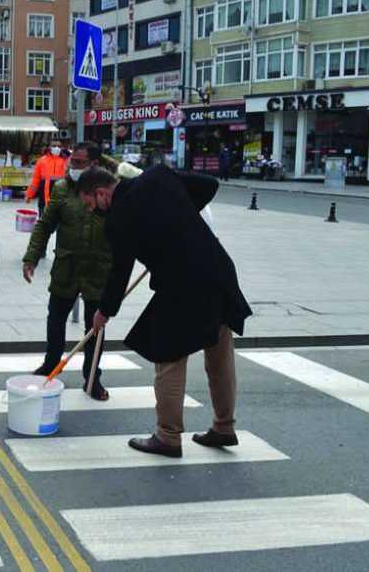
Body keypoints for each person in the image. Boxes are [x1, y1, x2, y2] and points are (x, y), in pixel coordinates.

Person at [77, 164, 252, 458]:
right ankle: (224, 426)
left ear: (101, 193)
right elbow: (209, 185)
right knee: (220, 352)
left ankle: (167, 436)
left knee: (168, 357)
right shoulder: (158, 175)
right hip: (216, 268)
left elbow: (119, 273)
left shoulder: (117, 219)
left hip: (183, 284)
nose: (93, 211)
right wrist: (180, 220)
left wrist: (104, 312)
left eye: (91, 205)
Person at [22, 142, 112, 400]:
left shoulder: (107, 192)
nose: (73, 166)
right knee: (55, 319)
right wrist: (31, 257)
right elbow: (45, 225)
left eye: (80, 163)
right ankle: (51, 364)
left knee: (95, 328)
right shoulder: (62, 189)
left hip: (98, 269)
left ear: (94, 164)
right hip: (67, 267)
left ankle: (92, 377)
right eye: (72, 161)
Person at [25, 139, 67, 212]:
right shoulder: (42, 161)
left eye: (59, 146)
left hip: (61, 193)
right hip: (44, 194)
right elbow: (36, 180)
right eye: (54, 146)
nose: (57, 148)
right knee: (43, 216)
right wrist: (29, 195)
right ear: (49, 147)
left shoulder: (66, 161)